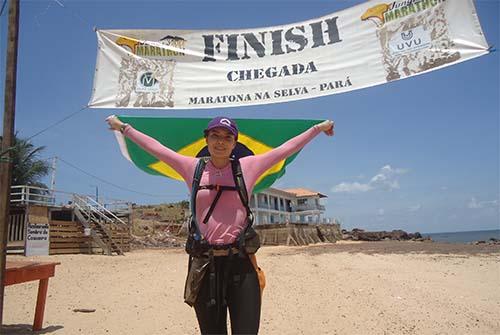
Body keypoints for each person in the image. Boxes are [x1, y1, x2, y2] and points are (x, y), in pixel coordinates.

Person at [106, 115, 334, 335]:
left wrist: (318, 129)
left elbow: (286, 149)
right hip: (205, 264)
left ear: (235, 143)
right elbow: (157, 149)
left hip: (241, 263)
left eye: (227, 137)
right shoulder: (192, 168)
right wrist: (124, 128)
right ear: (207, 140)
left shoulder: (248, 167)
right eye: (215, 135)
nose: (221, 142)